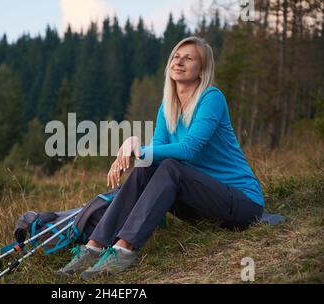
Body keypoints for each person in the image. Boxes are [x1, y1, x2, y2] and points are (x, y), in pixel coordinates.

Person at [56, 36, 265, 280]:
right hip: (203, 204)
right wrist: (134, 147)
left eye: (189, 58)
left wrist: (136, 147)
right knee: (148, 168)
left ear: (202, 68)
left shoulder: (211, 98)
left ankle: (123, 249)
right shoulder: (168, 106)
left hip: (241, 203)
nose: (179, 61)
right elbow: (154, 153)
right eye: (176, 56)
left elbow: (189, 149)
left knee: (171, 167)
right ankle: (94, 246)